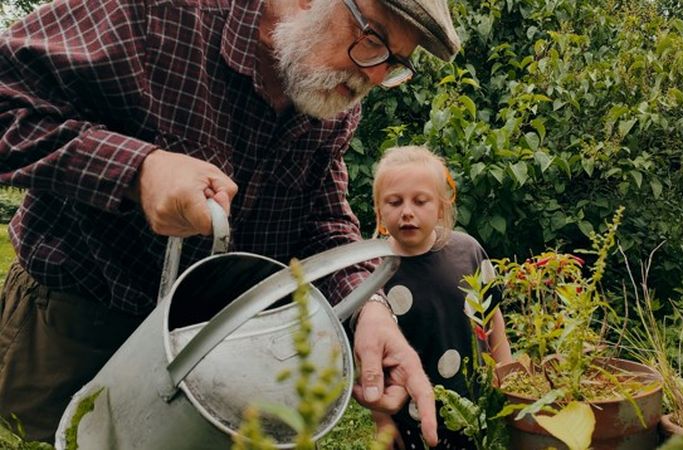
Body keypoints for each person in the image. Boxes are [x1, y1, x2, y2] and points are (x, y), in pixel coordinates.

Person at [0, 0, 462, 444]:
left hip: (212, 351)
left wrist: (368, 309)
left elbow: (320, 218)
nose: (375, 74)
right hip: (72, 325)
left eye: (395, 62)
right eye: (373, 38)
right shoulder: (158, 14)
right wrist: (139, 170)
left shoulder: (330, 95)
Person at [369, 145, 512, 449]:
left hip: (473, 407)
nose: (407, 211)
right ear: (379, 210)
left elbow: (493, 317)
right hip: (407, 418)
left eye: (420, 201)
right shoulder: (373, 271)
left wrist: (505, 374)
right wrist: (381, 419)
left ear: (442, 207)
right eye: (394, 202)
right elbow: (369, 356)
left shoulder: (468, 252)